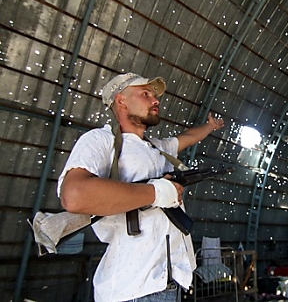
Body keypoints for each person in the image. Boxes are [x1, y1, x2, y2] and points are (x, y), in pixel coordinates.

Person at [58, 72, 225, 302]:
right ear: (121, 100)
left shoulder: (158, 148)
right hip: (132, 290)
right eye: (145, 94)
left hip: (169, 284)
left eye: (154, 96)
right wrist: (157, 193)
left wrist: (209, 126)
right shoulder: (101, 141)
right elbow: (74, 195)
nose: (155, 100)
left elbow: (188, 136)